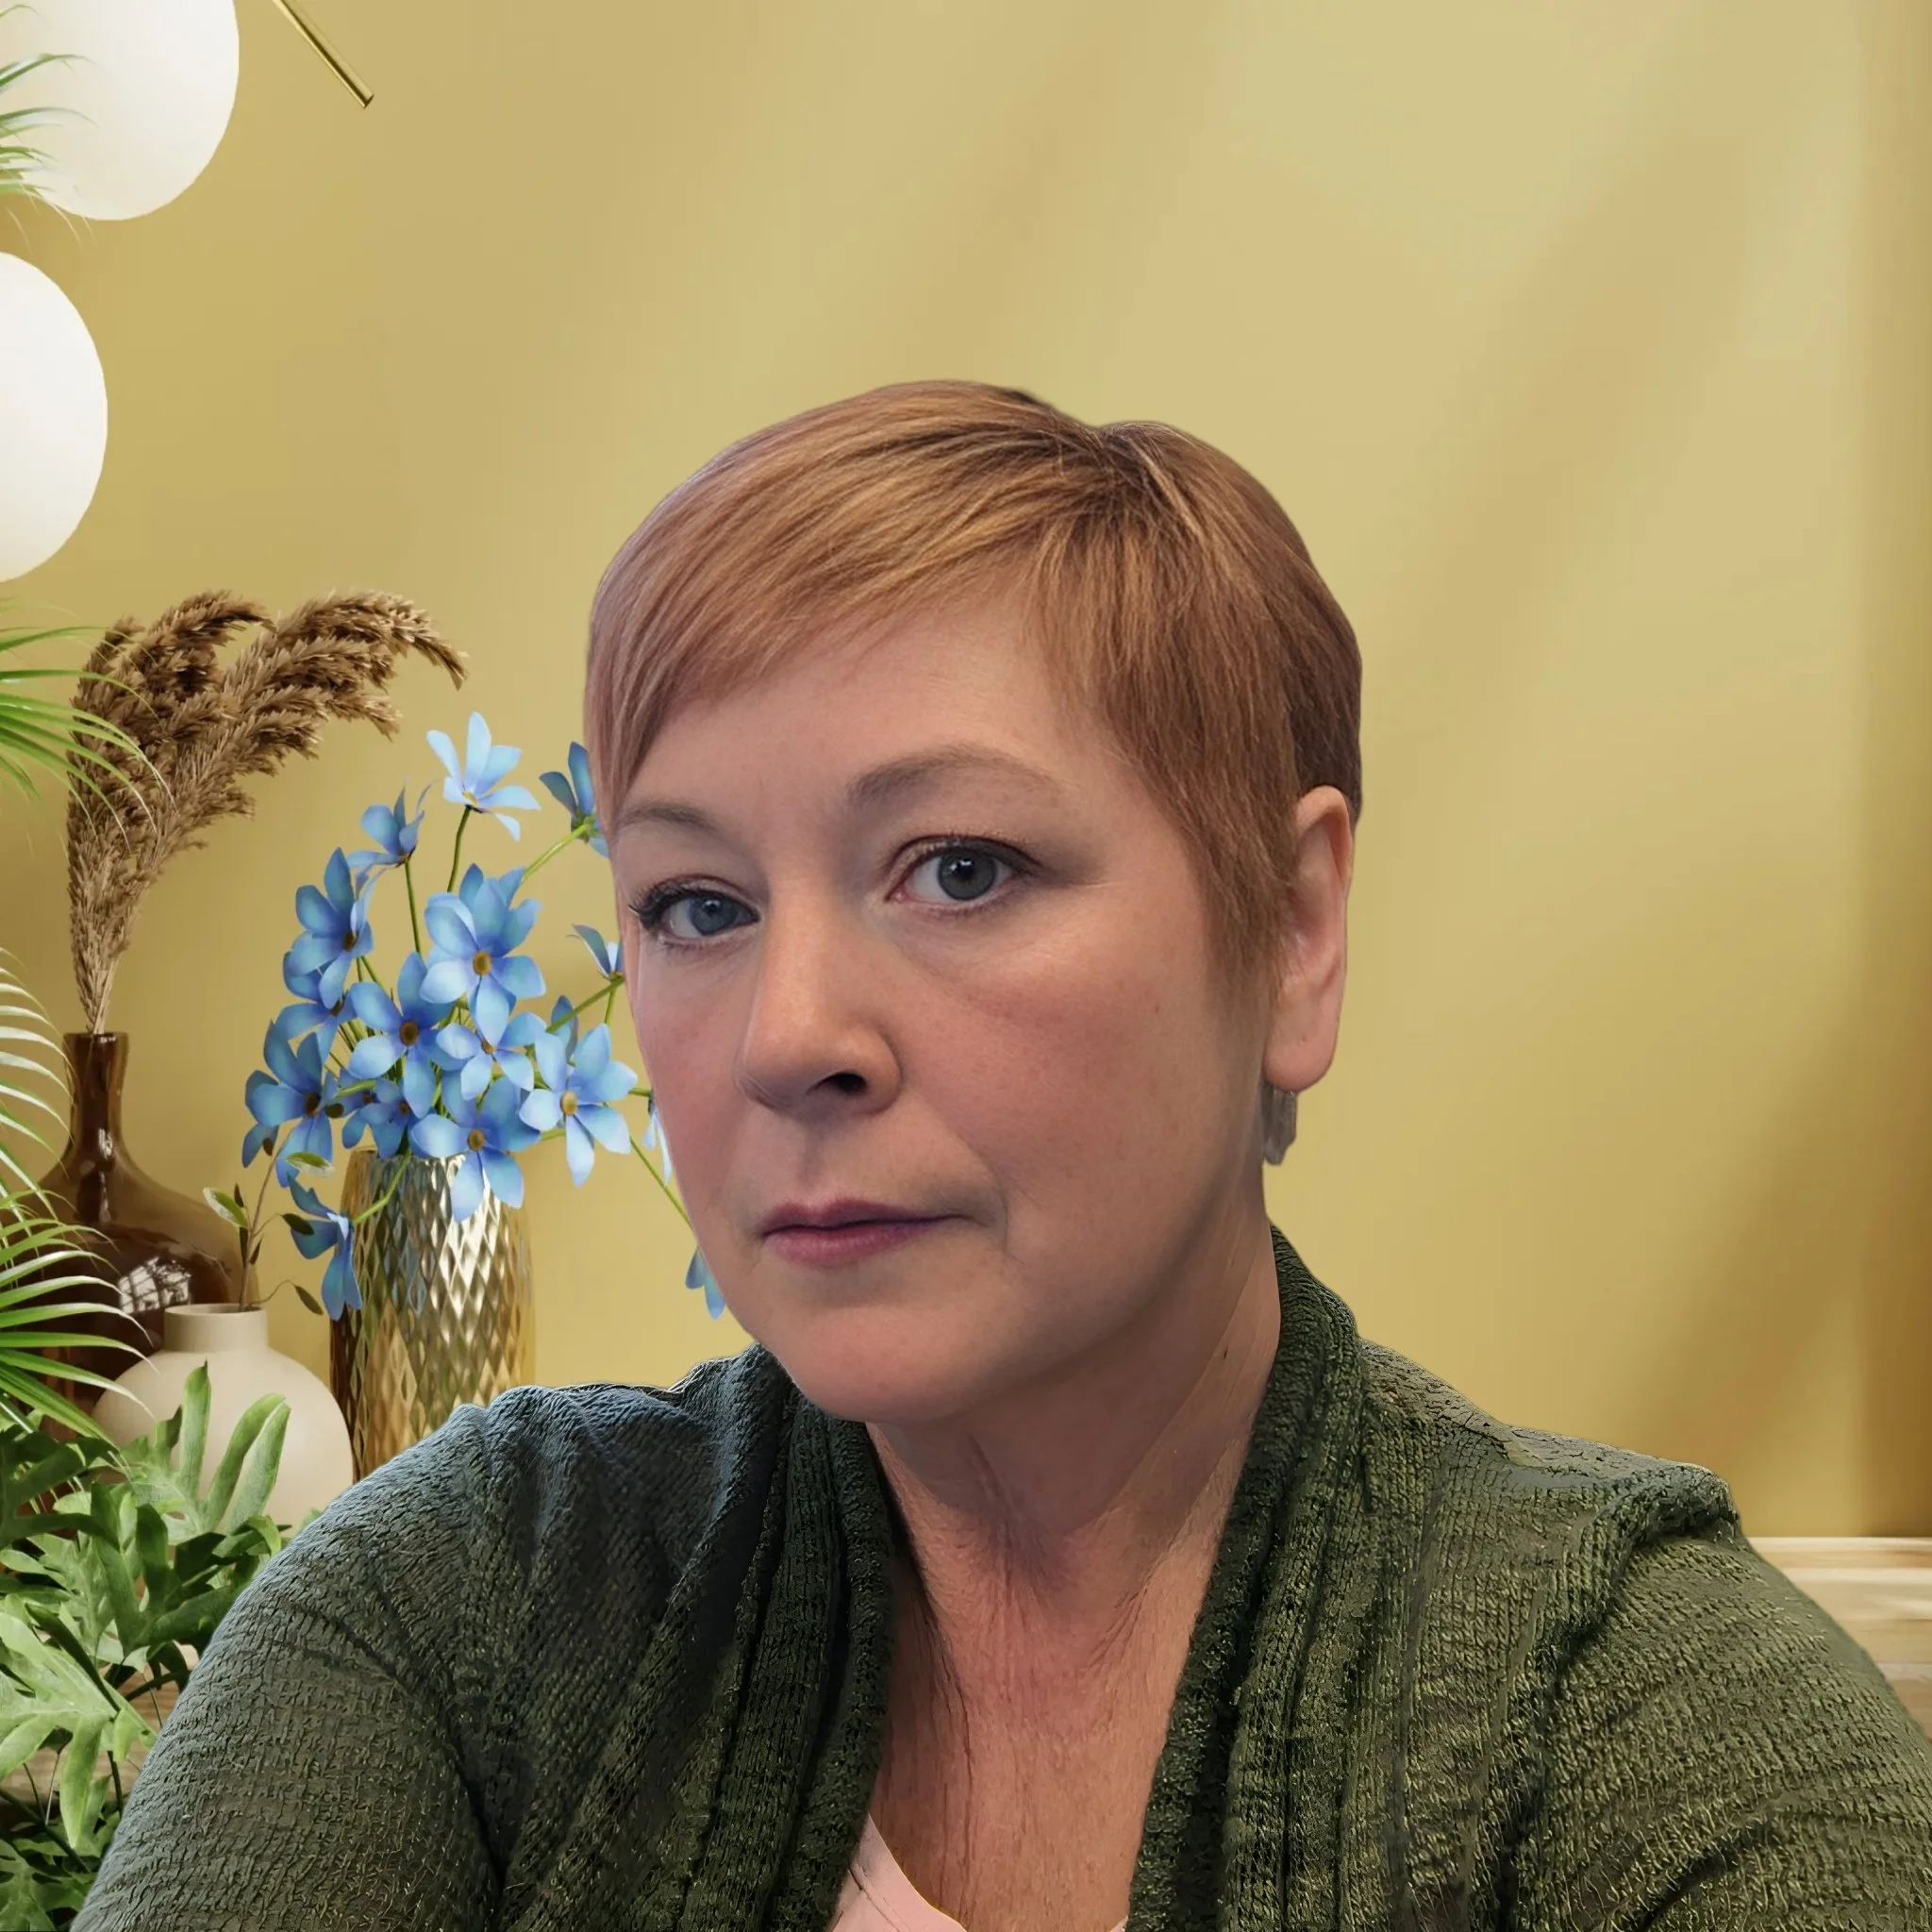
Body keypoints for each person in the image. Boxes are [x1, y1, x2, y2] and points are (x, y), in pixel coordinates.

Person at [78, 381, 1932, 1931]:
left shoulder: (1645, 1726)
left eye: (960, 868)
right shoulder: (461, 1609)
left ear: (1287, 932)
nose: (790, 1032)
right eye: (697, 901)